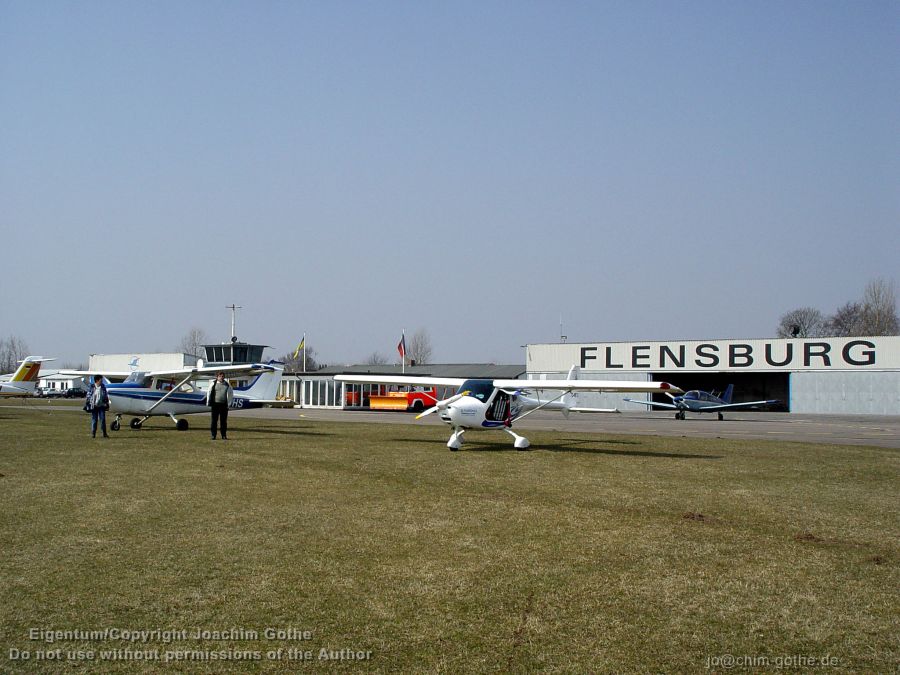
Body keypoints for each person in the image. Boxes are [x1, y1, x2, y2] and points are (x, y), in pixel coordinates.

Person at [206, 372, 233, 440]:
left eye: (223, 376)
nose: (221, 377)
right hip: (215, 405)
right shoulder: (213, 384)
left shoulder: (227, 384)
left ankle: (223, 435)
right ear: (217, 377)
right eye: (220, 376)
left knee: (223, 421)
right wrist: (208, 402)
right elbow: (209, 392)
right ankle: (213, 435)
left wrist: (229, 404)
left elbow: (230, 394)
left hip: (224, 405)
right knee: (214, 421)